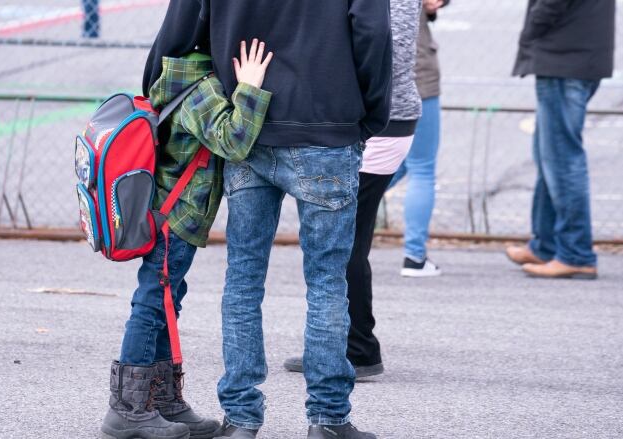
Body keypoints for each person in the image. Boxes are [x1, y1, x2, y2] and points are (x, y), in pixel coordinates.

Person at [142, 1, 393, 438]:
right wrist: (368, 113)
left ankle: (241, 418)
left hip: (247, 122)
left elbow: (176, 37)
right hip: (327, 128)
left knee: (243, 280)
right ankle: (328, 419)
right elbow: (372, 34)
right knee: (327, 282)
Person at [100, 34, 274, 439]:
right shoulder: (200, 89)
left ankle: (163, 401)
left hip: (168, 213)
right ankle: (127, 410)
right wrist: (249, 87)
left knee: (165, 301)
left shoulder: (177, 72)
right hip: (176, 216)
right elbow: (234, 140)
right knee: (151, 304)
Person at [283, 0, 423, 380]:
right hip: (377, 119)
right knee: (343, 240)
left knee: (344, 243)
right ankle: (337, 346)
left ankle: (358, 350)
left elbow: (386, 49)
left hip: (379, 122)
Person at [506, 0, 615, 279]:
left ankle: (575, 253)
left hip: (564, 57)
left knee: (562, 161)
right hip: (576, 53)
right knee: (550, 156)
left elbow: (551, 4)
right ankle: (546, 245)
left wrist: (530, 32)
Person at [388, 0, 450, 278]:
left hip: (368, 74)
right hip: (415, 75)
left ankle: (336, 229)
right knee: (421, 167)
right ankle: (415, 256)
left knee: (384, 162)